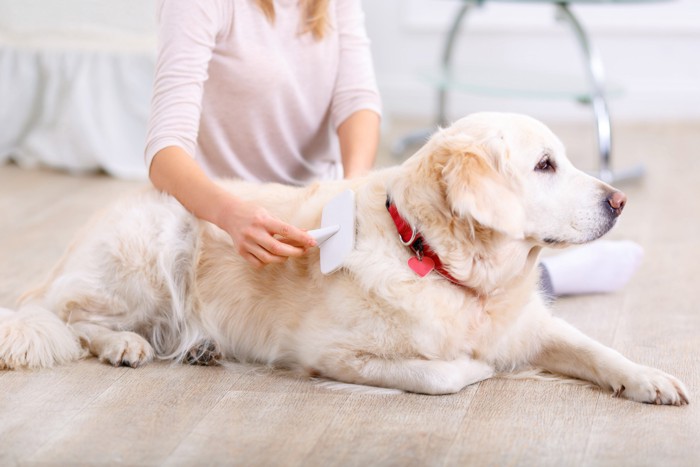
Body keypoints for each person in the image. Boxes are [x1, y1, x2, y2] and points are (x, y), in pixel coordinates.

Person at [145, 0, 642, 296]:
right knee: (400, 299)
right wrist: (232, 215)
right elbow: (164, 151)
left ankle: (541, 273)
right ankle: (551, 281)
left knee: (434, 252)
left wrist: (349, 188)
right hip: (235, 218)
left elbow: (357, 100)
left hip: (320, 206)